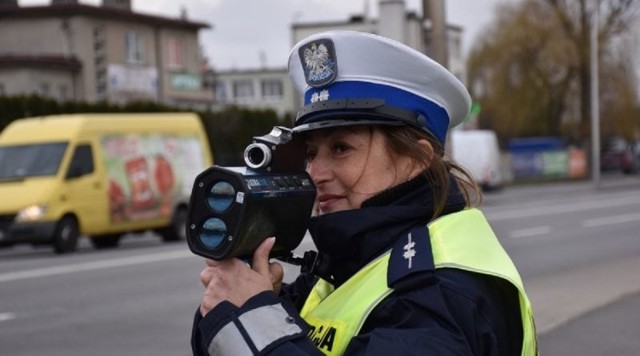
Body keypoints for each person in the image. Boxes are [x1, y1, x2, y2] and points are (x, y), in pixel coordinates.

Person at [191, 30, 538, 355]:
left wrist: (253, 317)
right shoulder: (350, 259)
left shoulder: (440, 290)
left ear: (415, 160)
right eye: (311, 153)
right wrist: (251, 299)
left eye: (341, 148)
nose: (316, 174)